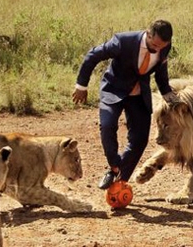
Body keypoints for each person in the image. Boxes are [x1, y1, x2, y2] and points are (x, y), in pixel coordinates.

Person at [72, 20, 179, 190]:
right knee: (107, 126)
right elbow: (93, 55)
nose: (158, 49)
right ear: (148, 34)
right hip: (113, 90)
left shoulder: (164, 46)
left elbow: (160, 73)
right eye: (155, 44)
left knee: (140, 139)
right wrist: (81, 86)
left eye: (162, 46)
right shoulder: (123, 41)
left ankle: (120, 179)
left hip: (138, 95)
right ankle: (114, 167)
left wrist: (169, 96)